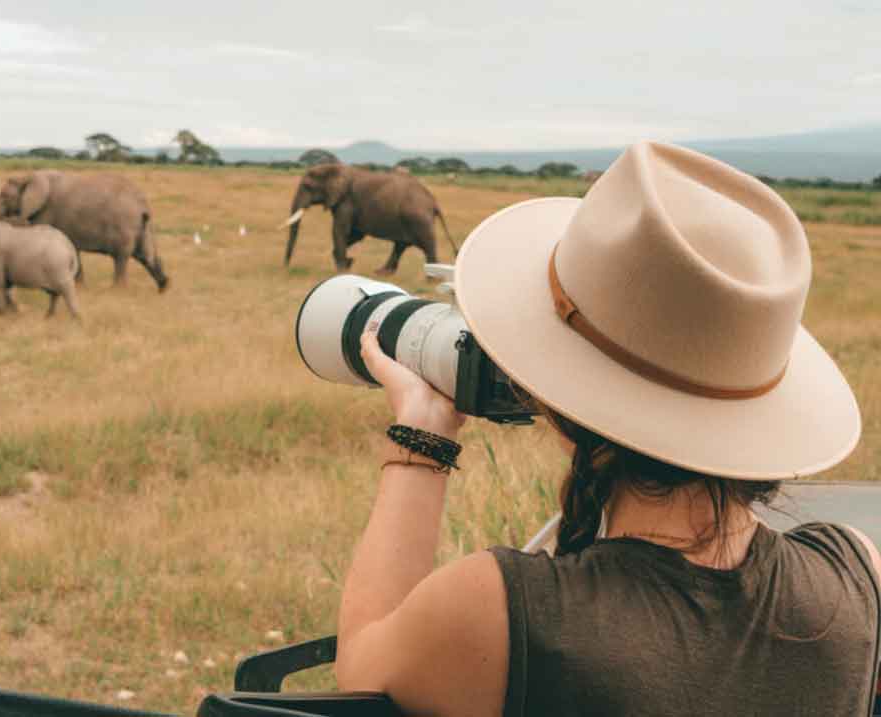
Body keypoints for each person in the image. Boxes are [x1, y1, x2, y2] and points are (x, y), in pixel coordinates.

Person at [334, 141, 881, 717]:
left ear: (564, 409)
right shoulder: (856, 576)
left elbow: (363, 670)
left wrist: (423, 437)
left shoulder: (499, 610)